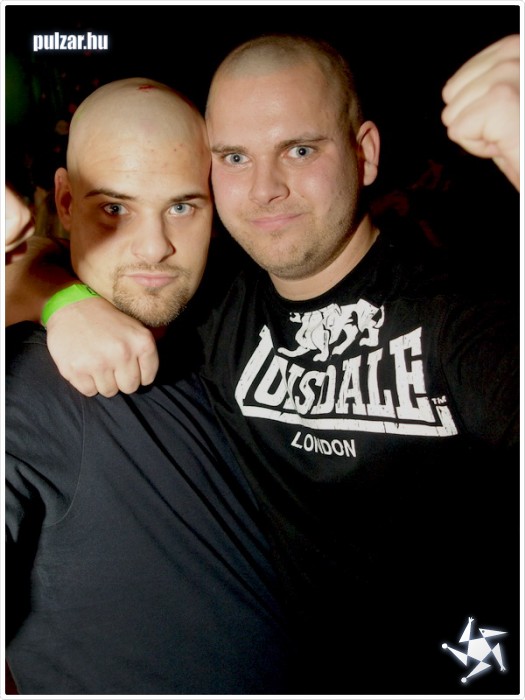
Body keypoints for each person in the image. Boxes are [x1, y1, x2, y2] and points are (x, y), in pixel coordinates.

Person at [6, 34, 520, 694]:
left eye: (299, 150)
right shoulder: (207, 309)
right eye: (234, 158)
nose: (265, 189)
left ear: (364, 153)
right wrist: (65, 301)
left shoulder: (461, 315)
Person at [4, 77, 297, 694]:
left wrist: (55, 290)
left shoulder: (229, 322)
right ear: (64, 200)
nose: (156, 246)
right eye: (115, 208)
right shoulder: (28, 384)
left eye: (183, 207)